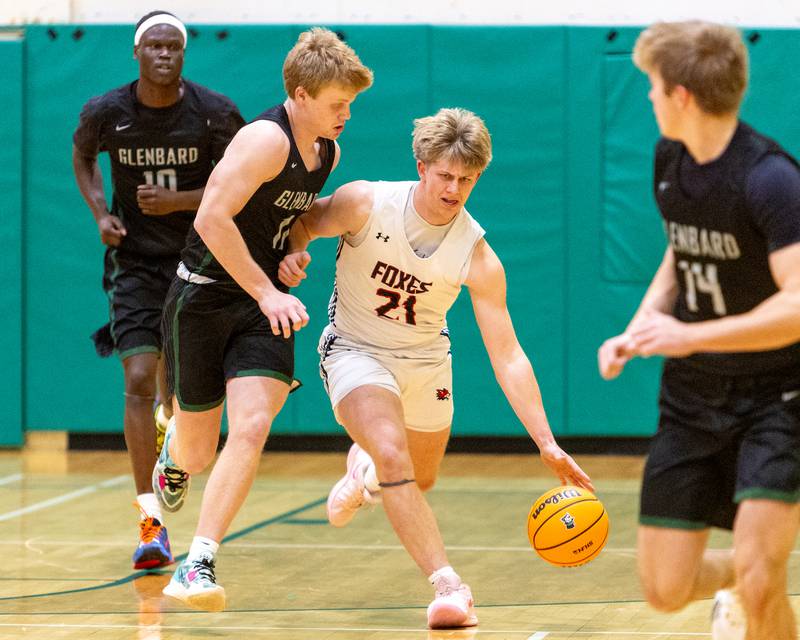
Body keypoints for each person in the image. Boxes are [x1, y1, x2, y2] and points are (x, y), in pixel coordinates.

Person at [277, 107, 594, 629]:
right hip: (355, 349)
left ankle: (364, 473)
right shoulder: (366, 202)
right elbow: (304, 223)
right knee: (394, 453)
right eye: (445, 175)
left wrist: (546, 442)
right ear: (422, 166)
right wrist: (293, 253)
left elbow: (508, 354)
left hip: (426, 361)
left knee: (417, 479)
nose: (454, 188)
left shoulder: (477, 254)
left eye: (466, 179)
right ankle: (450, 586)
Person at [151, 27, 373, 612]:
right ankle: (174, 447)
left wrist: (292, 254)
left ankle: (197, 562)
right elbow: (210, 218)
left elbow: (289, 221)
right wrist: (266, 288)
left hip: (258, 306)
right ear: (300, 95)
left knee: (251, 425)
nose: (346, 114)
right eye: (336, 104)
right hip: (200, 298)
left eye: (351, 104)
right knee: (199, 452)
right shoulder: (264, 141)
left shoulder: (327, 150)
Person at [597, 21, 800, 640]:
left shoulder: (773, 181)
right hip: (693, 399)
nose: (649, 98)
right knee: (665, 590)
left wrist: (690, 336)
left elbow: (798, 305)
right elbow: (682, 252)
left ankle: (753, 585)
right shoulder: (671, 159)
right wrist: (639, 329)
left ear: (681, 94)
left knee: (764, 577)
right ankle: (739, 584)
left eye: (653, 87)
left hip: (777, 398)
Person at [72, 10, 244, 572]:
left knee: (180, 388)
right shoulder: (107, 112)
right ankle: (151, 522)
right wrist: (101, 212)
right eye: (154, 45)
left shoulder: (215, 113)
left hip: (197, 261)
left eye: (174, 46)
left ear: (184, 55)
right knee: (140, 377)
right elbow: (82, 156)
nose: (164, 54)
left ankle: (175, 436)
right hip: (137, 267)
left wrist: (180, 202)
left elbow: (240, 184)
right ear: (137, 53)